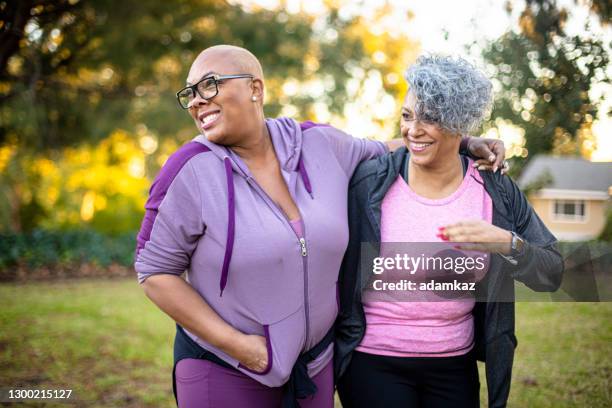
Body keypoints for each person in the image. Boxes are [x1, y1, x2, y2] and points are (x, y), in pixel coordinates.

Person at [134, 45, 507, 408]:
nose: (197, 100)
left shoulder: (319, 144)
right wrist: (239, 345)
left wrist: (463, 142)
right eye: (190, 93)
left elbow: (389, 148)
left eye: (210, 84)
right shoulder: (187, 170)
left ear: (255, 88)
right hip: (225, 367)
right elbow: (154, 272)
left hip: (315, 366)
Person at [335, 55, 564, 408]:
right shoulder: (370, 182)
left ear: (460, 123)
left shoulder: (495, 191)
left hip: (454, 364)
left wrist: (504, 242)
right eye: (408, 115)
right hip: (373, 360)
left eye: (430, 119)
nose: (413, 130)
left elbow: (551, 271)